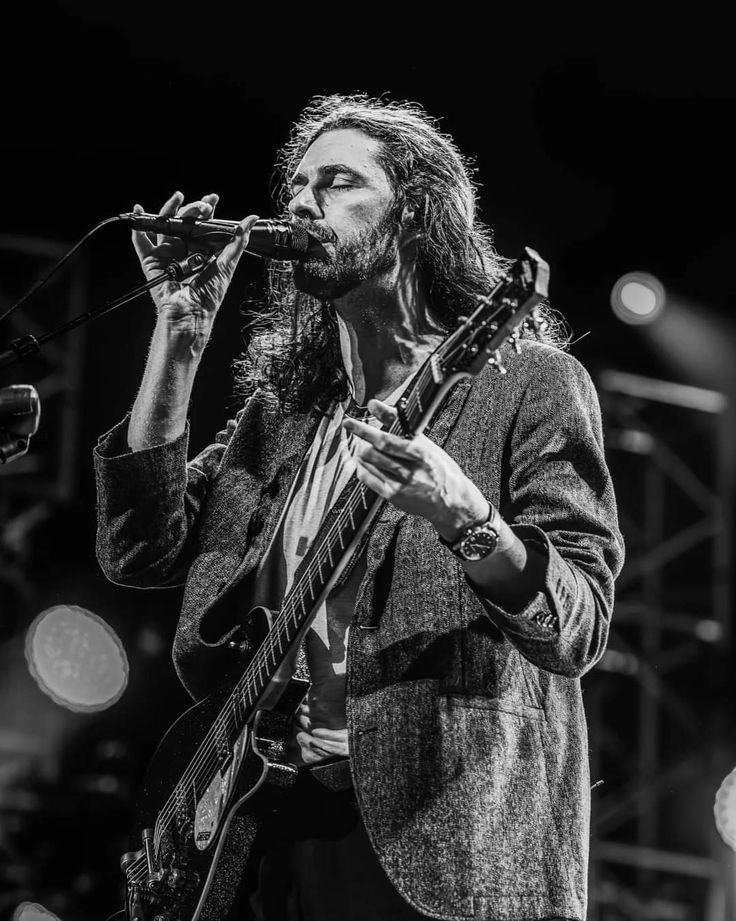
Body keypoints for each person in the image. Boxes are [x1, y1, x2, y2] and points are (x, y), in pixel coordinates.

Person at [94, 94, 624, 921]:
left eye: (338, 182)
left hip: (446, 833)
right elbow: (139, 548)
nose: (301, 204)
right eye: (297, 185)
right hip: (260, 822)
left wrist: (467, 516)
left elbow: (579, 624)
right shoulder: (284, 416)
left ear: (414, 212)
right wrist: (179, 335)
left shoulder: (529, 385)